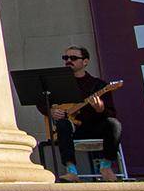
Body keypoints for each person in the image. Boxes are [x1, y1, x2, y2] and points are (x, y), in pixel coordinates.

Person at [45, 46, 122, 183]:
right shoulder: (60, 85)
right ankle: (71, 171)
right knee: (62, 124)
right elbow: (42, 101)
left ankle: (106, 167)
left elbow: (111, 113)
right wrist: (50, 111)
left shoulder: (98, 85)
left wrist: (100, 109)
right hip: (72, 130)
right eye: (66, 58)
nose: (68, 61)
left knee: (114, 124)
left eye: (73, 58)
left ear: (85, 62)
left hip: (95, 128)